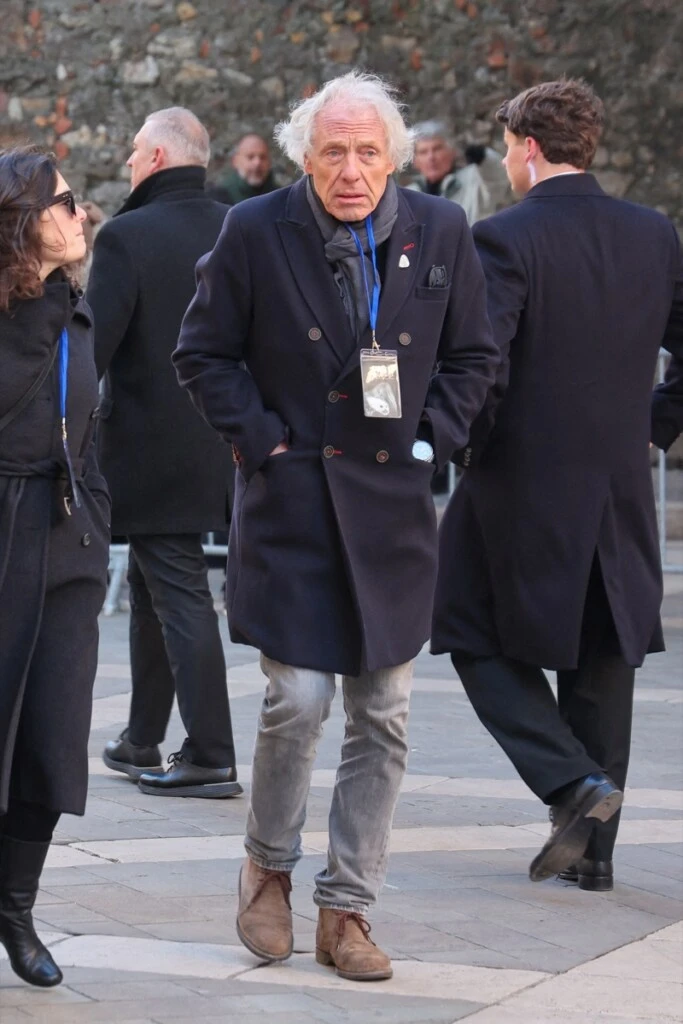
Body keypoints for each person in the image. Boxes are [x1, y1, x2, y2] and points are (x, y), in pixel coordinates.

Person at [174, 70, 498, 981]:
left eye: (366, 152)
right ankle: (267, 871)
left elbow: (475, 353)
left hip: (394, 508)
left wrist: (435, 442)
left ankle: (347, 908)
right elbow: (201, 353)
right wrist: (264, 445)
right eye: (331, 151)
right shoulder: (253, 228)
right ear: (303, 157)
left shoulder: (440, 229)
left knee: (384, 713)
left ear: (393, 157)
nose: (350, 169)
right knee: (299, 700)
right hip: (293, 505)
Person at [432, 79, 683, 892]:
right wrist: (655, 421)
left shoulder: (501, 238)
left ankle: (573, 788)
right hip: (617, 480)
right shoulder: (654, 234)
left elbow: (484, 363)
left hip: (517, 481)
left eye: (507, 148)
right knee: (602, 653)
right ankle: (594, 859)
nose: (506, 162)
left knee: (466, 628)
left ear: (529, 149)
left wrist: (463, 444)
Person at [86, 108, 241, 799]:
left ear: (153, 157)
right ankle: (140, 736)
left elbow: (94, 346)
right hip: (222, 437)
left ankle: (208, 752)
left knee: (178, 594)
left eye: (130, 153)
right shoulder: (238, 224)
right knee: (155, 588)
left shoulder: (126, 236)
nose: (125, 164)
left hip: (150, 445)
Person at [0, 146, 110, 987]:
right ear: (22, 218)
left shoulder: (79, 305)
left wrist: (96, 525)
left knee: (51, 734)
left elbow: (89, 432)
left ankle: (16, 904)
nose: (83, 214)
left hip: (65, 538)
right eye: (66, 202)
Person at [207, 133, 278, 205]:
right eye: (250, 157)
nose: (257, 163)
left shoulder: (279, 196)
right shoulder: (221, 197)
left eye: (262, 157)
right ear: (235, 161)